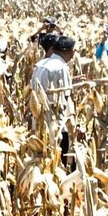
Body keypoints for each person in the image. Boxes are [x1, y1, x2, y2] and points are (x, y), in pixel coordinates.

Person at [31, 35, 76, 167]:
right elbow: (65, 95)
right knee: (57, 152)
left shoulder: (41, 64)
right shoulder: (60, 67)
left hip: (39, 116)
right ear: (70, 51)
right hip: (54, 120)